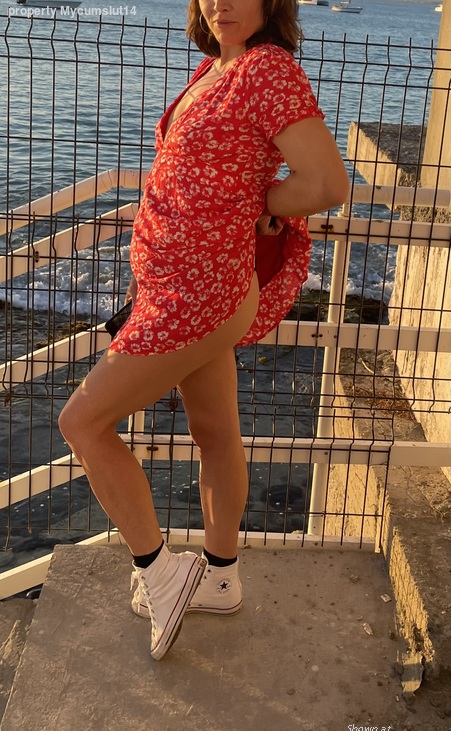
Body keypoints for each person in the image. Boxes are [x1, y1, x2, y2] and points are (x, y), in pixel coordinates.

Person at [58, 0, 350, 661]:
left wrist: (257, 203)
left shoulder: (267, 69)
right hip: (177, 287)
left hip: (200, 294)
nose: (221, 2)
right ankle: (219, 578)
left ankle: (159, 573)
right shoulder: (216, 67)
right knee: (215, 433)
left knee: (82, 424)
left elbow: (325, 182)